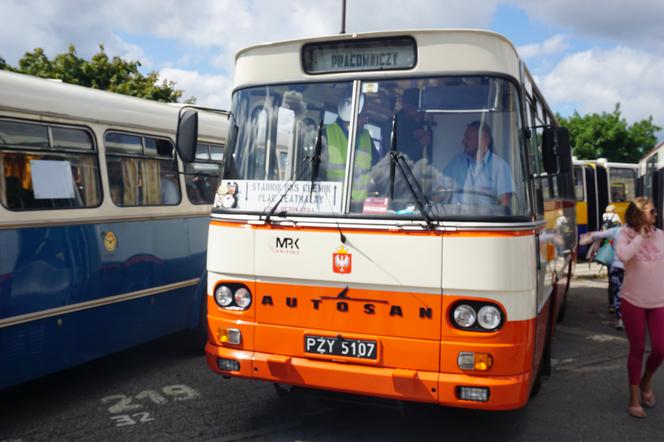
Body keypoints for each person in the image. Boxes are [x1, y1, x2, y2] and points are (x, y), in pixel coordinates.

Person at [614, 197, 664, 418]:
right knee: (637, 348)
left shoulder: (661, 235)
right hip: (633, 300)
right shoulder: (624, 235)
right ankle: (634, 398)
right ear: (638, 214)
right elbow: (623, 256)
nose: (656, 215)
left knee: (661, 348)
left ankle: (646, 380)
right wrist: (641, 237)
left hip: (659, 301)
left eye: (655, 212)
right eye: (651, 212)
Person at [443, 121, 513, 208]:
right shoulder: (455, 163)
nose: (463, 142)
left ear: (484, 140)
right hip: (453, 220)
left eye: (468, 139)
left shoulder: (500, 167)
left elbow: (504, 207)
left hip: (486, 220)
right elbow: (438, 196)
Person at [322, 89, 374, 204]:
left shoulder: (367, 137)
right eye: (364, 115)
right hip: (331, 208)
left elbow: (377, 169)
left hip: (359, 209)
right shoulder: (326, 134)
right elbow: (317, 175)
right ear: (352, 116)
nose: (367, 120)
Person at [581, 226, 625, 328]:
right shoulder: (638, 231)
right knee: (625, 294)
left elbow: (599, 235)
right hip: (627, 268)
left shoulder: (616, 230)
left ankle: (619, 316)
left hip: (616, 267)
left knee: (617, 292)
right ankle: (622, 316)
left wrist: (588, 236)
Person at [396, 88, 431, 163]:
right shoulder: (393, 126)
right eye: (414, 108)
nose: (418, 112)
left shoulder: (420, 123)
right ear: (404, 105)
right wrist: (420, 144)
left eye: (419, 109)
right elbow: (397, 160)